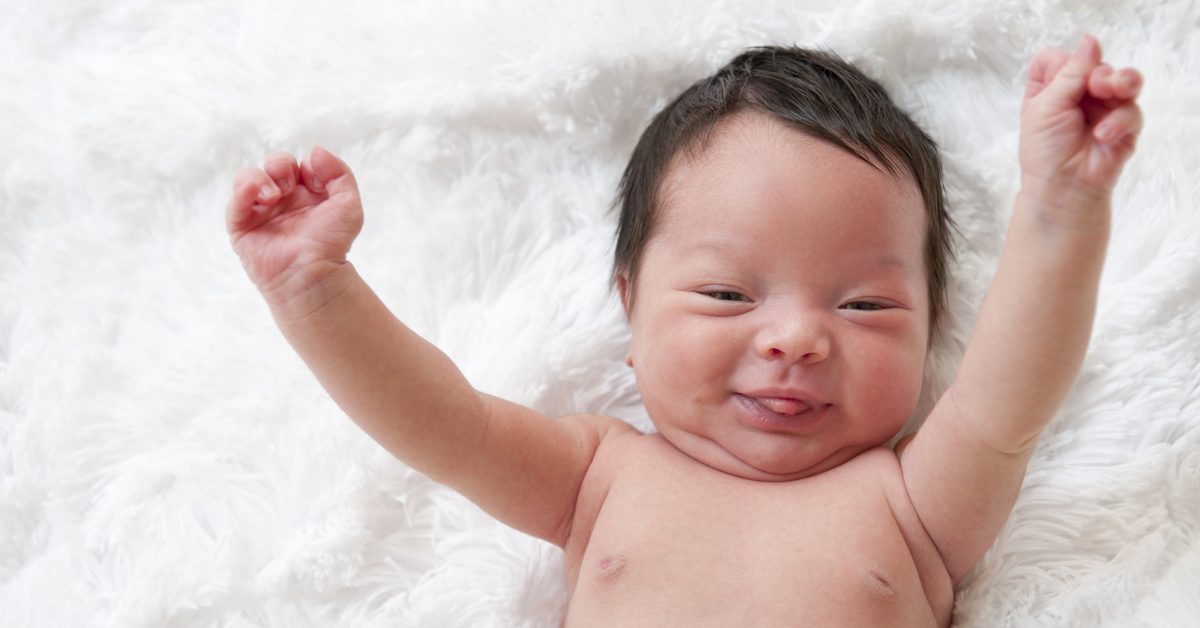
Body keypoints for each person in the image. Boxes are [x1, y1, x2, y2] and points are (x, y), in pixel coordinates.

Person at [225, 35, 1142, 626]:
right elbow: (441, 422)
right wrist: (315, 289)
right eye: (727, 295)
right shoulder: (599, 477)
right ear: (630, 305)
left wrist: (1062, 202)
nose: (795, 340)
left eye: (863, 305)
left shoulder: (911, 504)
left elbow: (1005, 397)